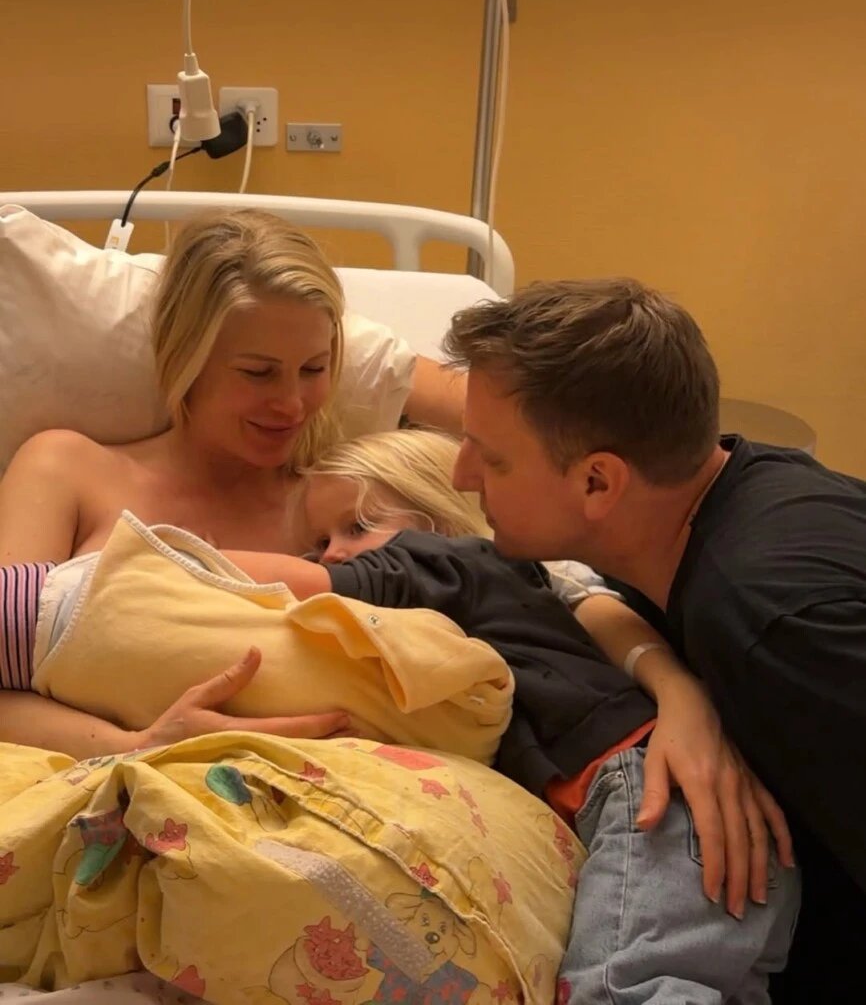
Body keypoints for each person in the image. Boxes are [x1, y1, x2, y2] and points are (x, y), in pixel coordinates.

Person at [0, 428, 798, 1001]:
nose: (334, 552)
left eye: (359, 524)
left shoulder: (447, 563)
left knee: (631, 987)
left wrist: (104, 583)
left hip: (653, 795)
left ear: (441, 519)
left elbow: (259, 589)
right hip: (658, 814)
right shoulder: (478, 624)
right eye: (320, 538)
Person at [441, 277, 866, 1000]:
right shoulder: (736, 493)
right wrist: (677, 686)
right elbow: (582, 594)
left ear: (598, 483)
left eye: (494, 459)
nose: (461, 474)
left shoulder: (770, 622)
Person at [0, 208, 464, 756]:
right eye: (257, 373)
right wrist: (142, 743)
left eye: (313, 370)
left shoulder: (340, 513)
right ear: (186, 358)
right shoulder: (66, 471)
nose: (291, 405)